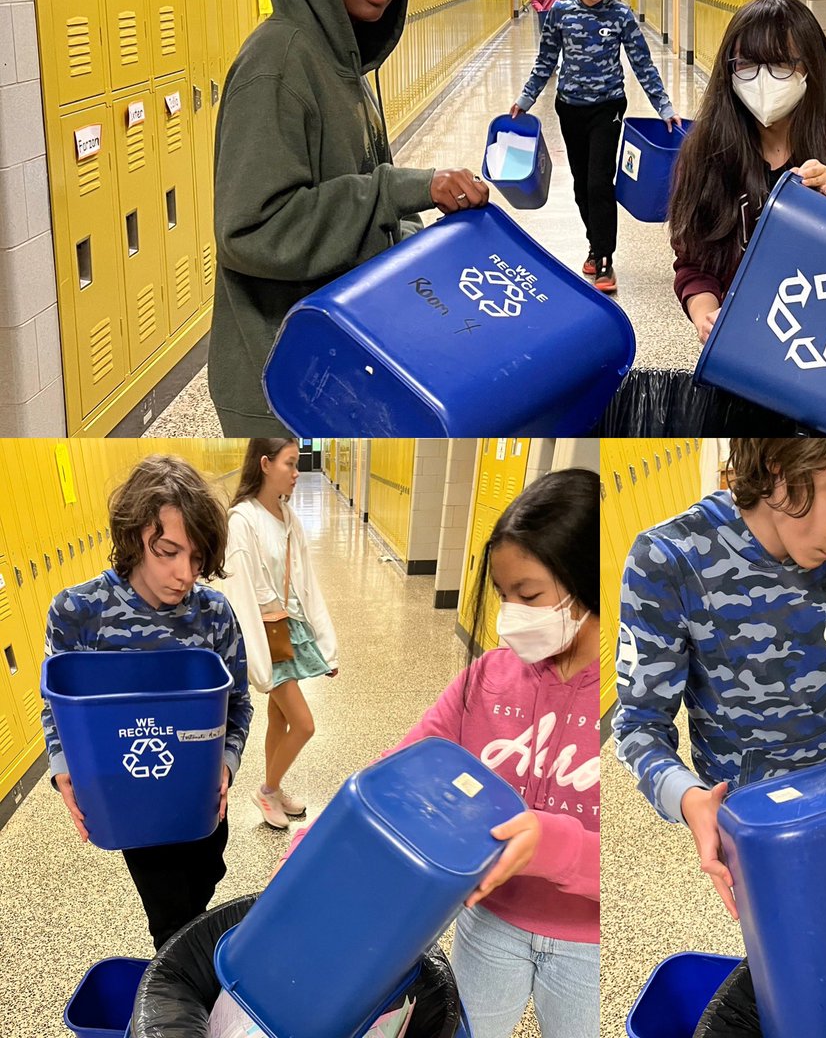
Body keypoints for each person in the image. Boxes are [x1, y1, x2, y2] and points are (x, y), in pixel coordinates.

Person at [284, 468, 600, 1038]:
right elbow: (395, 776)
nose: (510, 618)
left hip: (591, 944)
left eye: (528, 596)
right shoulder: (487, 678)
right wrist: (316, 849)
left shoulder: (634, 697)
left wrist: (548, 842)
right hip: (488, 920)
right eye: (503, 597)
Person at [209, 0, 489, 436]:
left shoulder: (342, 59)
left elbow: (355, 198)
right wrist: (405, 188)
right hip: (282, 381)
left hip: (334, 359)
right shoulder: (280, 62)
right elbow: (253, 231)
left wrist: (431, 243)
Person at [613, 438, 826, 919]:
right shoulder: (670, 560)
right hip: (753, 824)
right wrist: (691, 800)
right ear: (779, 466)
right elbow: (639, 726)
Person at [39, 455, 252, 950]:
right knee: (173, 922)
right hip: (134, 805)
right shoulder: (79, 612)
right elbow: (56, 704)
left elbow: (238, 705)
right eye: (168, 552)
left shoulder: (213, 614)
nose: (185, 575)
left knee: (203, 882)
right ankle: (181, 995)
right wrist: (62, 765)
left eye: (197, 559)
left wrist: (226, 763)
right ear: (136, 536)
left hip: (202, 802)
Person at [669, 0, 826, 348]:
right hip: (748, 347)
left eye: (782, 64)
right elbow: (694, 263)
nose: (762, 80)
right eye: (746, 65)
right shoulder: (709, 150)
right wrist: (707, 316)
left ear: (811, 67)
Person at [511, 0, 681, 294]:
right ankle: (594, 242)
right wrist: (526, 99)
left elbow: (642, 63)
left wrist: (663, 106)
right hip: (570, 106)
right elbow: (545, 61)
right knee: (580, 184)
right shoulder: (561, 12)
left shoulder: (620, 16)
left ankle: (605, 257)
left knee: (599, 182)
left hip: (608, 106)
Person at [222, 439, 339, 830]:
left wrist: (326, 646)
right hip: (266, 636)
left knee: (279, 718)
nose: (296, 472)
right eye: (290, 464)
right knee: (304, 724)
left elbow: (305, 582)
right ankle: (267, 788)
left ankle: (275, 786)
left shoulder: (287, 515)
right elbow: (242, 592)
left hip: (290, 629)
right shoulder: (242, 520)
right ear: (265, 464)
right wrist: (253, 658)